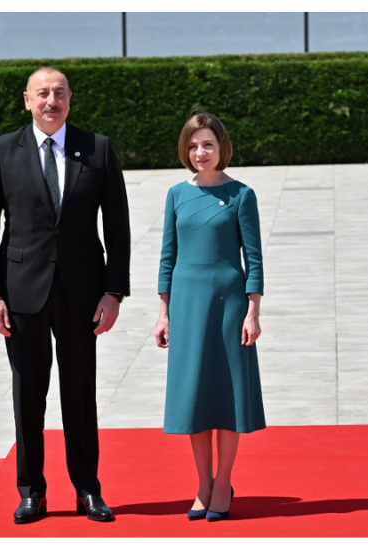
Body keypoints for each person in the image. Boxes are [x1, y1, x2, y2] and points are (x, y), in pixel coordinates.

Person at [0, 67, 131, 524]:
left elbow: (117, 227)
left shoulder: (97, 148)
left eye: (59, 93)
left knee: (80, 393)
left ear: (69, 99)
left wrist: (113, 291)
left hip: (83, 293)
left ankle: (87, 489)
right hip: (21, 293)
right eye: (42, 93)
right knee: (28, 394)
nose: (51, 101)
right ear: (27, 100)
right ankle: (32, 491)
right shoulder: (2, 150)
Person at [154, 111, 265, 522]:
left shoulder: (242, 195)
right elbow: (167, 257)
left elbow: (254, 259)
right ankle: (203, 483)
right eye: (194, 145)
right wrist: (163, 314)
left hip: (229, 306)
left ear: (222, 148)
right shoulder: (176, 195)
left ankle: (224, 482)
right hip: (187, 306)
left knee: (228, 395)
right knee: (195, 397)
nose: (200, 152)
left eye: (208, 145)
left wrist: (253, 312)